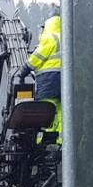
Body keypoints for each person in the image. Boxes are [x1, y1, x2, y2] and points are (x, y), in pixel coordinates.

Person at [20, 9, 62, 143]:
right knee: (60, 111)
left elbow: (38, 56)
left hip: (49, 81)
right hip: (64, 82)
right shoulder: (65, 39)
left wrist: (25, 69)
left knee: (45, 109)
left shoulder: (50, 38)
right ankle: (60, 140)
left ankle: (43, 141)